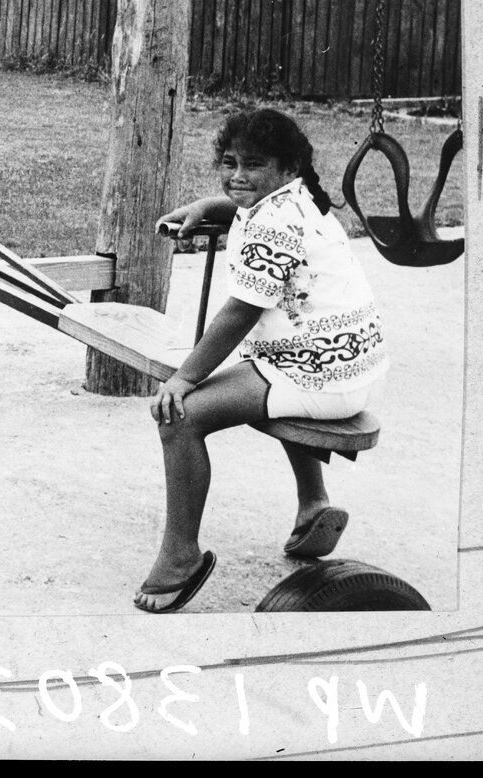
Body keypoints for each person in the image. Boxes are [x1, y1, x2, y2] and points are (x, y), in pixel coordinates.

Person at [134, 108, 389, 613]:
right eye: (228, 164)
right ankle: (313, 504)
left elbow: (240, 312)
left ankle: (180, 556)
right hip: (351, 363)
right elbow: (251, 210)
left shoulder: (275, 221)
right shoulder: (301, 197)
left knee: (179, 418)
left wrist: (185, 377)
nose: (238, 176)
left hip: (316, 372)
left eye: (253, 165)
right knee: (257, 373)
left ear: (288, 166)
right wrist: (213, 203)